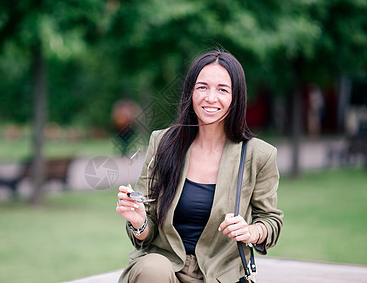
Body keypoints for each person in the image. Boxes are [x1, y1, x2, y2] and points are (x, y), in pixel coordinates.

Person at [116, 50, 283, 283]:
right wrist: (139, 221)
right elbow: (147, 231)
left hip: (222, 275)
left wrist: (252, 231)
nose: (211, 98)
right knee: (151, 268)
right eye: (202, 87)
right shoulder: (163, 143)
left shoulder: (259, 155)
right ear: (190, 93)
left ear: (236, 97)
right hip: (166, 271)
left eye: (222, 89)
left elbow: (270, 220)